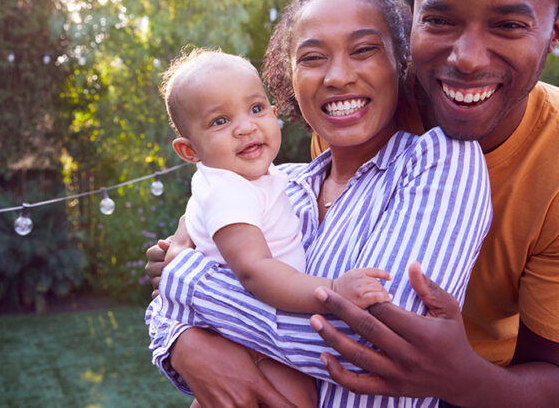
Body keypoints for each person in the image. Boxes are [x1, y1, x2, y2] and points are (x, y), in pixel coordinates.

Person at [149, 0, 559, 408]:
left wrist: (185, 283)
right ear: (413, 21)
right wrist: (183, 341)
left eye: (509, 24)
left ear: (556, 29)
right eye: (441, 19)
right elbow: (266, 251)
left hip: (499, 383)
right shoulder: (357, 110)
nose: (469, 57)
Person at [145, 0, 493, 407]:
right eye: (312, 58)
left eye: (364, 50)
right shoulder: (277, 185)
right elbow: (162, 311)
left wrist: (186, 279)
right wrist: (184, 346)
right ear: (288, 78)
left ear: (400, 61)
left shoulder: (439, 161)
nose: (338, 76)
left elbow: (381, 349)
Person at [157, 48, 394, 407]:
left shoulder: (265, 181)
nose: (245, 126)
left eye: (255, 108)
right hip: (246, 338)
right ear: (189, 151)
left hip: (242, 334)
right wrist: (333, 290)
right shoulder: (228, 191)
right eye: (220, 121)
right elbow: (255, 271)